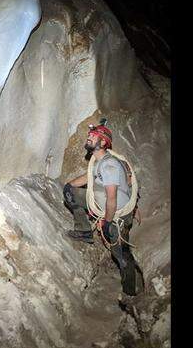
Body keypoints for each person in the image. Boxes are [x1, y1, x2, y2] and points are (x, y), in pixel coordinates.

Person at [63, 119, 145, 296]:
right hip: (104, 205)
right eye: (89, 135)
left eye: (93, 136)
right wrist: (68, 186)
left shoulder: (109, 165)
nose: (89, 137)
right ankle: (85, 231)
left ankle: (130, 291)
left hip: (117, 216)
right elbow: (88, 177)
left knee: (121, 255)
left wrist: (107, 223)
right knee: (72, 194)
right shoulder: (99, 161)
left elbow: (112, 199)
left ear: (103, 142)